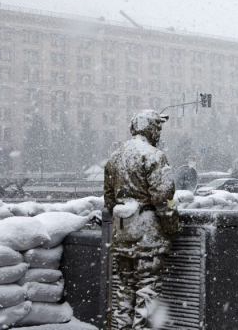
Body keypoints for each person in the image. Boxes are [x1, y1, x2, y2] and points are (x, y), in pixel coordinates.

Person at [104, 109, 181, 330]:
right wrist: (173, 225)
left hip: (122, 234)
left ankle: (121, 327)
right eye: (157, 128)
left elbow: (109, 200)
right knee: (147, 289)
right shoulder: (154, 156)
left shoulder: (115, 157)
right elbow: (165, 199)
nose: (158, 133)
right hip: (148, 235)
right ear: (150, 128)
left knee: (124, 288)